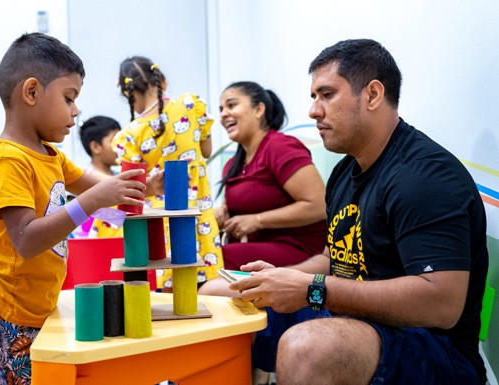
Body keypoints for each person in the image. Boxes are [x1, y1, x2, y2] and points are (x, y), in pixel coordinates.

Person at [229, 39, 489, 385]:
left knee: (308, 348)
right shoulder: (344, 171)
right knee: (222, 298)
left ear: (372, 95)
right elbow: (330, 259)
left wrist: (312, 289)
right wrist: (282, 279)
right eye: (313, 97)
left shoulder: (424, 176)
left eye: (326, 94)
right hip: (351, 317)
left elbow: (442, 302)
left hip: (435, 350)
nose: (313, 111)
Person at [0, 33, 163, 385]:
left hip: (38, 307)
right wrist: (90, 202)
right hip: (9, 313)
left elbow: (103, 191)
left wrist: (144, 187)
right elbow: (27, 241)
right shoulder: (7, 160)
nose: (76, 111)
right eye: (69, 98)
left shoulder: (51, 155)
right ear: (31, 92)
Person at [198, 81, 327, 381]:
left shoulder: (280, 147)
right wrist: (224, 212)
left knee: (215, 261)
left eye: (231, 105)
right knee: (204, 259)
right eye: (220, 109)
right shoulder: (235, 162)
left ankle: (237, 365)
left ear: (259, 109)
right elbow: (248, 202)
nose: (223, 114)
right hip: (261, 249)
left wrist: (257, 220)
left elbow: (318, 204)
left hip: (299, 249)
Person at [114, 56, 223, 289]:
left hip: (161, 218)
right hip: (198, 210)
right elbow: (207, 149)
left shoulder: (130, 135)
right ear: (161, 81)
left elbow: (133, 189)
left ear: (126, 93)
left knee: (173, 288)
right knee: (207, 284)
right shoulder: (191, 104)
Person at [78, 115, 124, 238]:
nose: (121, 146)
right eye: (114, 141)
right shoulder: (82, 178)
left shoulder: (119, 176)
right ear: (95, 147)